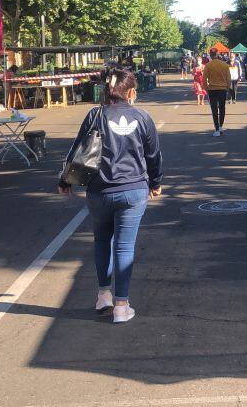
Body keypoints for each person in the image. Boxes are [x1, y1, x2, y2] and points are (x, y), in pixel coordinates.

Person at [59, 68, 162, 324]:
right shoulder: (142, 116)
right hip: (133, 190)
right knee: (124, 246)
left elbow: (77, 150)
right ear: (131, 92)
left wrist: (64, 180)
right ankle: (121, 306)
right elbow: (153, 156)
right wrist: (156, 183)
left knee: (102, 241)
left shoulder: (95, 114)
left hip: (99, 191)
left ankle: (103, 295)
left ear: (107, 91)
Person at [203, 49, 231, 136]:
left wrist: (207, 89)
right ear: (217, 54)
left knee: (214, 110)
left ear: (210, 55)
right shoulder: (225, 65)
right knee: (222, 108)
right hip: (222, 89)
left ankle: (217, 128)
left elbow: (204, 79)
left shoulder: (208, 65)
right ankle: (221, 126)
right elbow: (229, 79)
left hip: (212, 90)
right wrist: (227, 88)